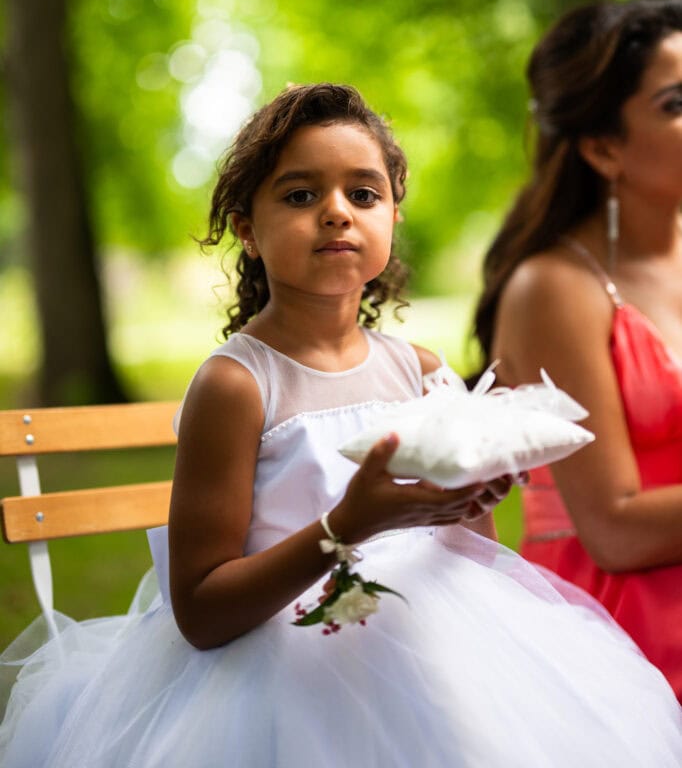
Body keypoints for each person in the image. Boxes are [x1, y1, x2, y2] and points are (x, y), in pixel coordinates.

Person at [2, 82, 681, 768]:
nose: (336, 213)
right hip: (279, 674)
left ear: (391, 214)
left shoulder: (419, 371)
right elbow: (203, 614)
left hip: (440, 652)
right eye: (300, 196)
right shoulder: (238, 385)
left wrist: (466, 498)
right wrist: (347, 525)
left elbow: (471, 555)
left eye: (363, 194)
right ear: (246, 228)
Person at [473, 0, 682, 699]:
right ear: (602, 148)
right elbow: (615, 531)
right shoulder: (554, 288)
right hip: (625, 627)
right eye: (676, 102)